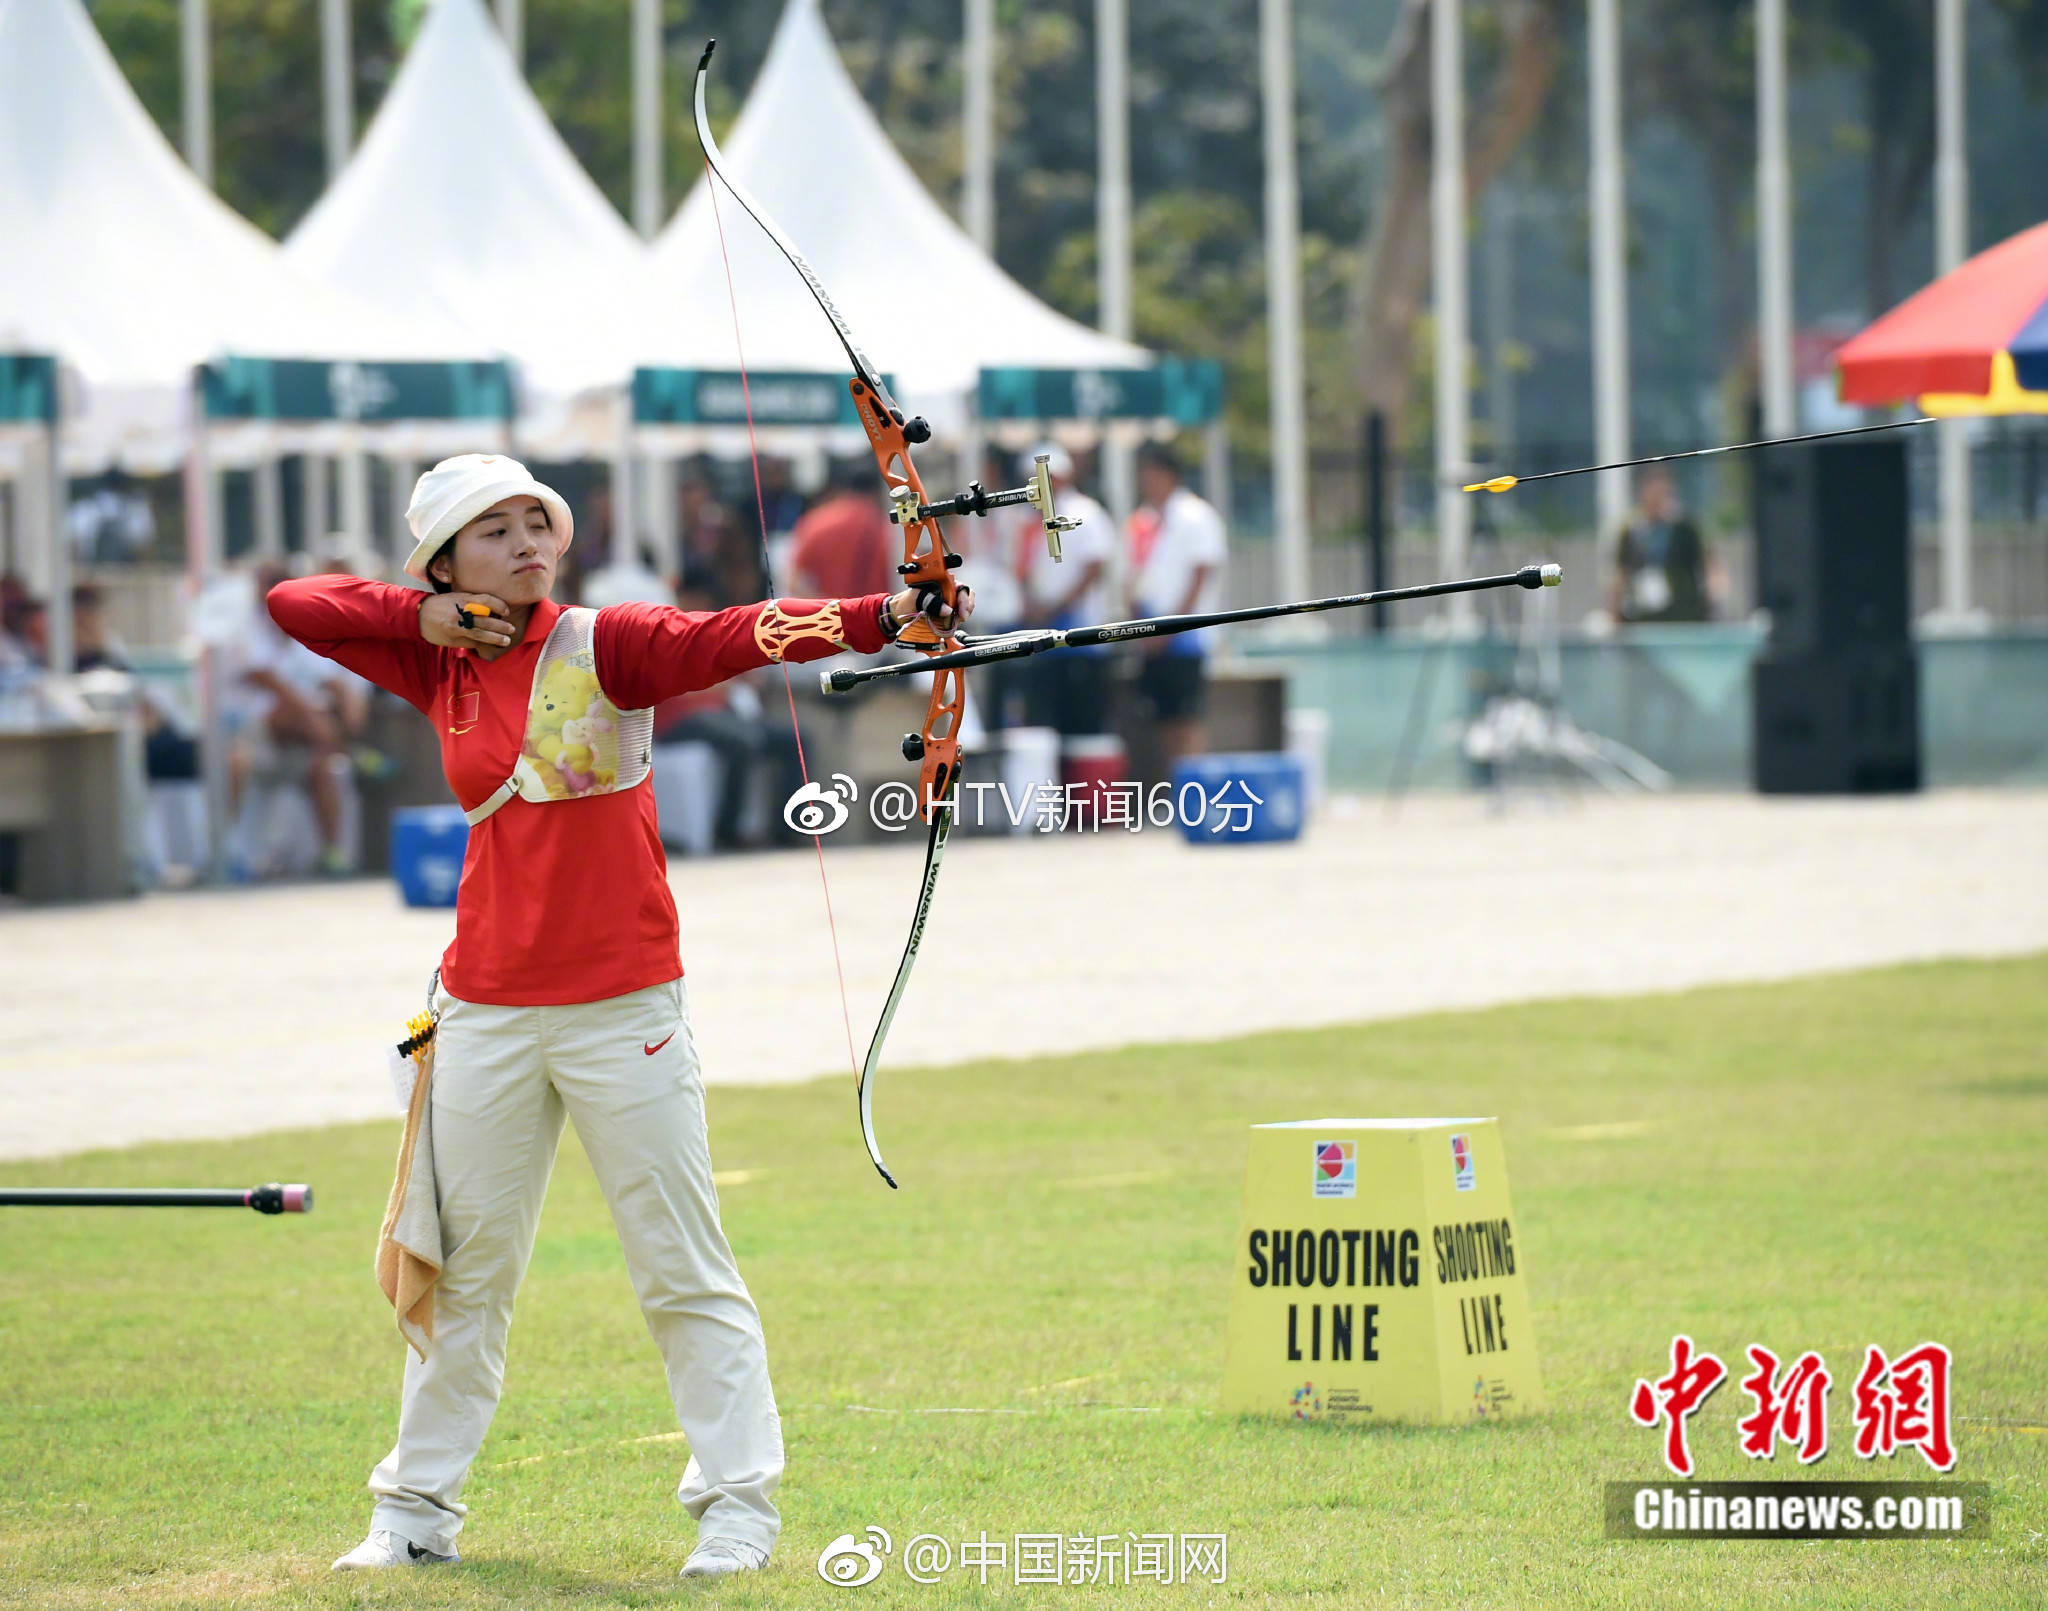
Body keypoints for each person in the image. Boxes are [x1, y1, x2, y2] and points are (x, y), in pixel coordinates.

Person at [268, 453, 970, 1581]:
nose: (527, 545)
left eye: (536, 523)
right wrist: (431, 618)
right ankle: (414, 1513)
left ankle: (738, 1505)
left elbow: (733, 634)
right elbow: (295, 605)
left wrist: (881, 613)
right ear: (445, 562)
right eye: (491, 532)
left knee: (680, 1266)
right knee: (468, 1275)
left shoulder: (607, 643)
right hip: (486, 1008)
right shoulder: (433, 660)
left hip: (622, 1006)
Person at [1128, 442, 1227, 770]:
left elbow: (1200, 575)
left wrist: (1171, 629)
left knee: (1187, 719)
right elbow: (1134, 574)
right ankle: (1179, 789)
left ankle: (1196, 792)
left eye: (1153, 473)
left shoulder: (1195, 515)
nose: (1147, 480)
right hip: (1151, 631)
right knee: (1164, 719)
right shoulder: (1144, 519)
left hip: (1185, 637)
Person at [1019, 446, 1115, 736]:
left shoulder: (1084, 511)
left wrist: (1055, 607)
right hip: (1042, 634)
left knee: (1081, 726)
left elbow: (1095, 567)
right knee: (1044, 725)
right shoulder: (1027, 518)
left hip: (1079, 635)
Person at [1608, 468, 1710, 623]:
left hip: (1680, 617)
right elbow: (1620, 573)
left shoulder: (1684, 529)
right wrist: (1614, 614)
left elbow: (1706, 566)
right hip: (1641, 616)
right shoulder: (1631, 531)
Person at [788, 461, 896, 599]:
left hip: (831, 616)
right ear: (877, 491)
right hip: (875, 615)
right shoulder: (888, 528)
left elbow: (794, 582)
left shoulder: (816, 522)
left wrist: (825, 609)